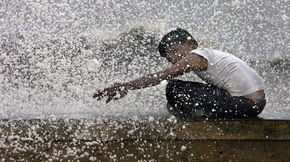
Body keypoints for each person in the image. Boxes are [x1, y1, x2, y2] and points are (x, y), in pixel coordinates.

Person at [93, 28, 266, 119]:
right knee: (181, 93)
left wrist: (125, 86)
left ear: (191, 44)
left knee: (174, 88)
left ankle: (198, 119)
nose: (175, 59)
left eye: (176, 51)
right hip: (254, 103)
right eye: (170, 57)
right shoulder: (210, 55)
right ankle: (199, 115)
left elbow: (161, 76)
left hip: (246, 104)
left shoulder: (196, 57)